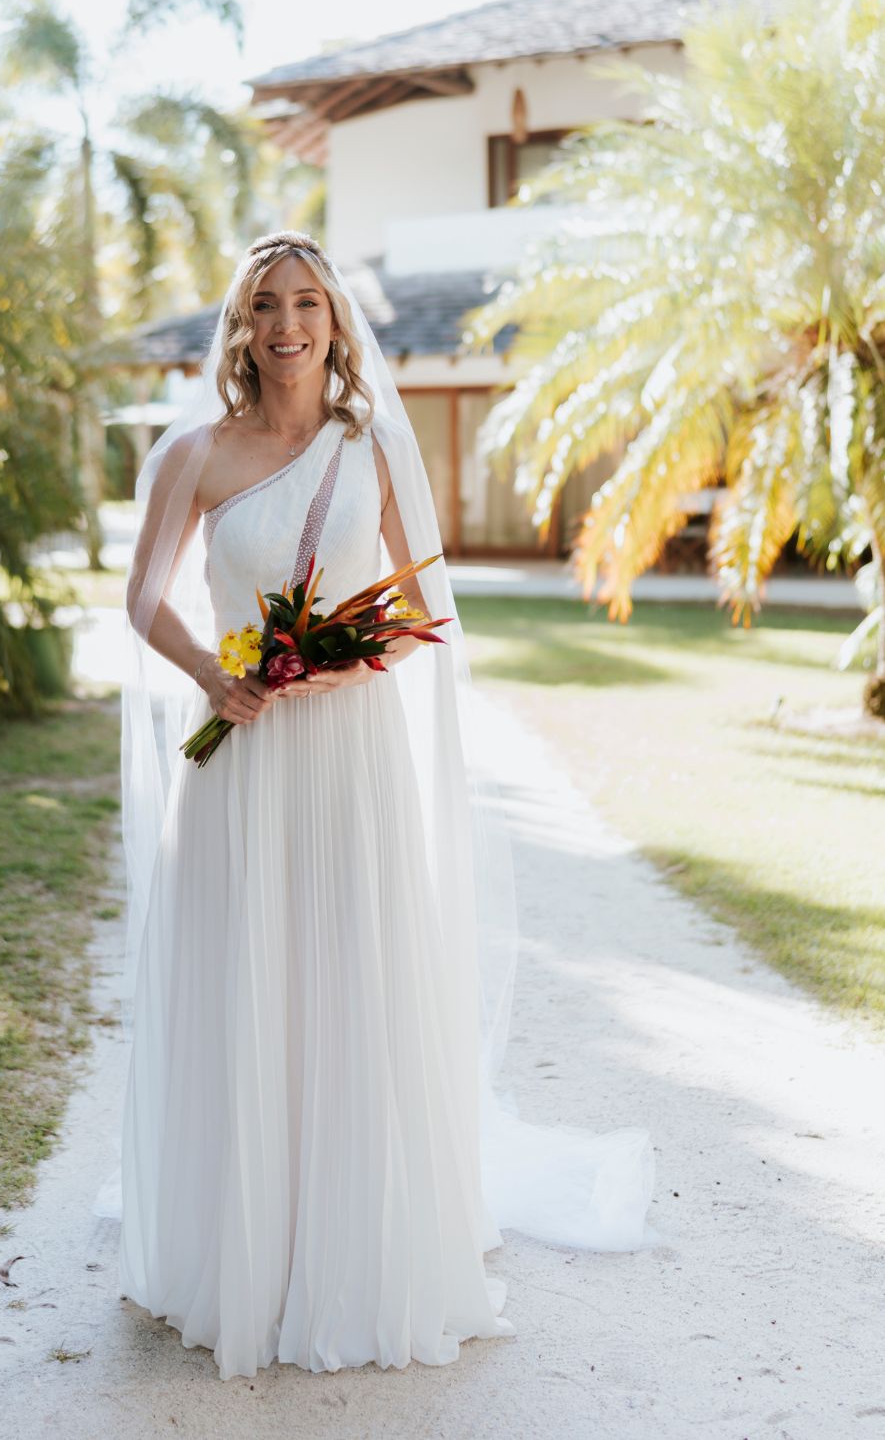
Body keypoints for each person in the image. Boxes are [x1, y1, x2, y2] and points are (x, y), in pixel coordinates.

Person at [106, 231, 655, 1380]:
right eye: (266, 305)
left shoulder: (373, 447)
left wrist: (343, 660)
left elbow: (421, 601)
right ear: (241, 327)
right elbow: (142, 598)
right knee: (247, 984)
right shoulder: (193, 455)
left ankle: (355, 1246)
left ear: (336, 323)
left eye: (308, 302)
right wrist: (217, 674)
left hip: (348, 759)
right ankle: (242, 1248)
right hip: (240, 765)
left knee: (347, 982)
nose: (288, 324)